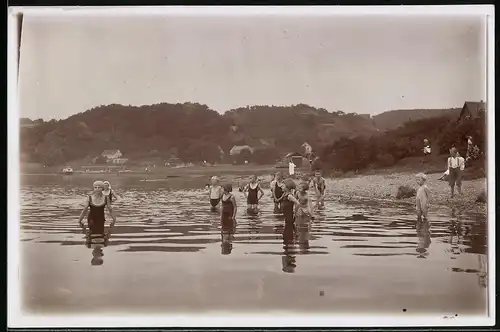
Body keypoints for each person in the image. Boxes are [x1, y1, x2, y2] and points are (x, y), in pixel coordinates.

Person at [78, 181, 117, 248]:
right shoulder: (89, 198)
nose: (97, 189)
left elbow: (110, 209)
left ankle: (99, 246)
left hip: (101, 219)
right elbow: (85, 210)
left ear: (102, 189)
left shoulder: (105, 198)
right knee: (91, 232)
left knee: (100, 233)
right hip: (91, 219)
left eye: (99, 187)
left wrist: (114, 220)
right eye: (95, 187)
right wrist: (79, 221)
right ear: (93, 188)